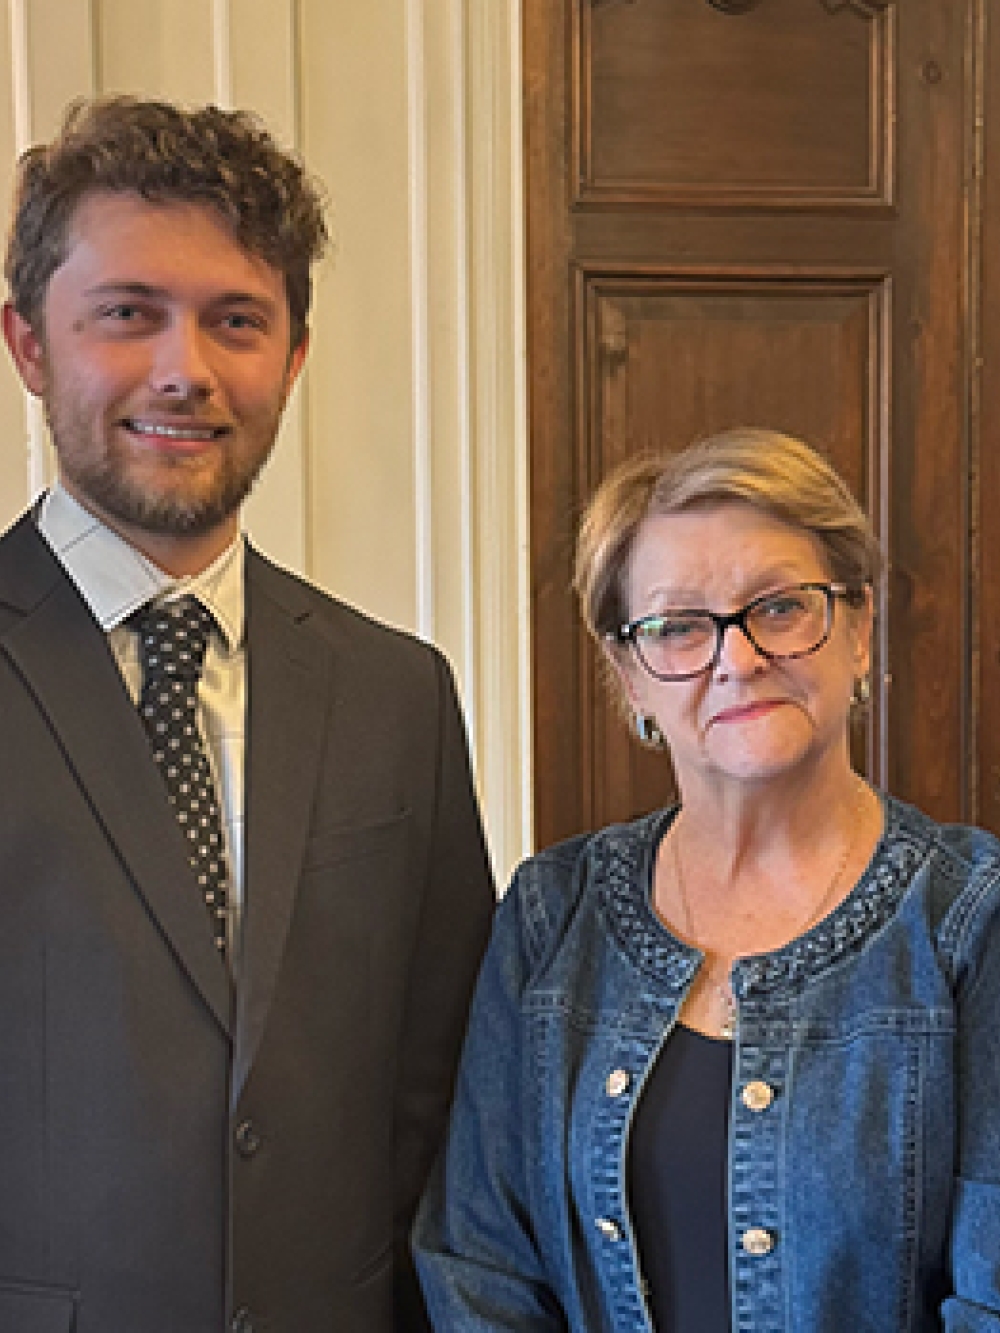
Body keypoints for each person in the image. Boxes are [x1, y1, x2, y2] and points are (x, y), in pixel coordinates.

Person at [0, 96, 494, 1333]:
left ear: (293, 356)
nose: (187, 368)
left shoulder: (401, 697)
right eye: (128, 314)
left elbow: (444, 1103)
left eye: (236, 321)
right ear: (28, 345)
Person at [413, 427, 1000, 1331]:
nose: (737, 657)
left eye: (780, 607)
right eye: (679, 625)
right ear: (630, 676)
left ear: (858, 627)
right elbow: (482, 1265)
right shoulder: (549, 915)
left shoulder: (970, 919)